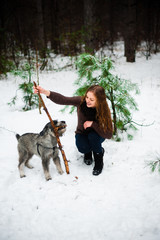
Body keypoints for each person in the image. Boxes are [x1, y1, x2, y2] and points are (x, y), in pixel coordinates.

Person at [33, 85, 113, 176]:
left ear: (99, 100)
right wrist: (46, 92)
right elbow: (64, 99)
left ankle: (99, 159)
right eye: (87, 97)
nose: (87, 100)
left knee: (93, 137)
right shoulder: (81, 102)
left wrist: (93, 124)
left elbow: (109, 134)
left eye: (91, 99)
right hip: (82, 133)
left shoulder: (104, 110)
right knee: (82, 147)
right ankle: (88, 152)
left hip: (98, 134)